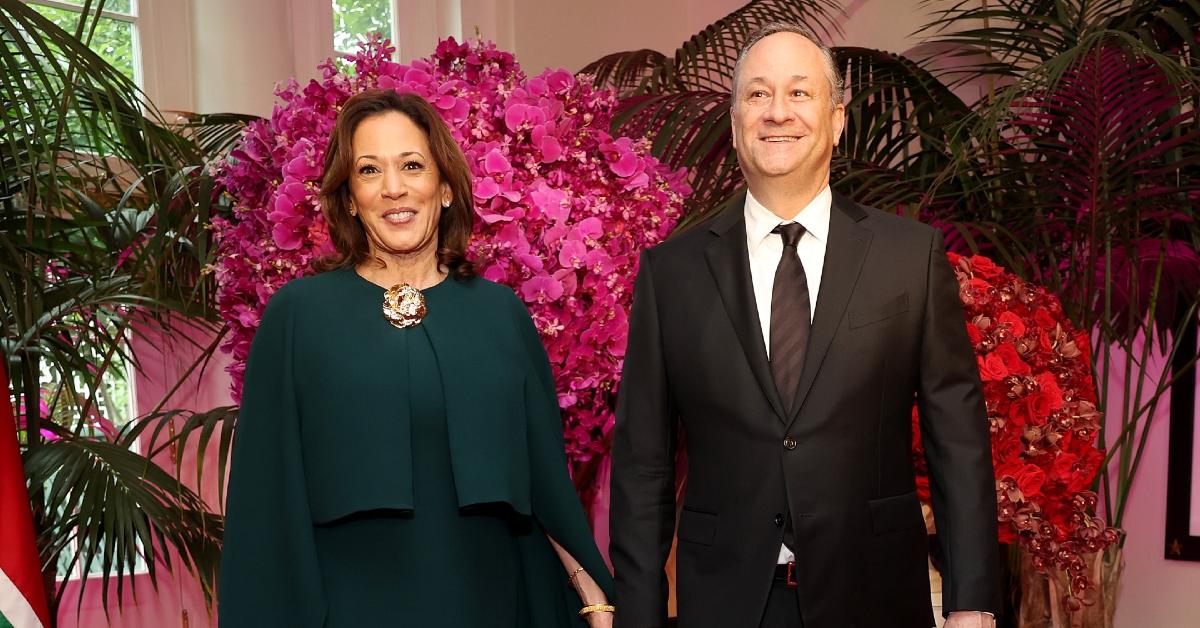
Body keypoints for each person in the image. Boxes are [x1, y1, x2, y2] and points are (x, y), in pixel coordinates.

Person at [609, 22, 1001, 628]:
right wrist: (638, 616)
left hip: (874, 596)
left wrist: (971, 601)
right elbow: (643, 467)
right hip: (726, 603)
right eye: (758, 95)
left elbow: (960, 444)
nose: (777, 113)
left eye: (799, 92)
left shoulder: (909, 258)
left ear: (837, 118)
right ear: (736, 123)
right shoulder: (672, 274)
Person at [219, 89, 614, 628]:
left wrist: (595, 602)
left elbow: (547, 488)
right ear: (350, 198)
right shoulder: (298, 318)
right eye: (369, 170)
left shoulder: (502, 317)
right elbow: (264, 507)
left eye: (412, 165)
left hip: (490, 606)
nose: (394, 188)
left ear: (446, 187)